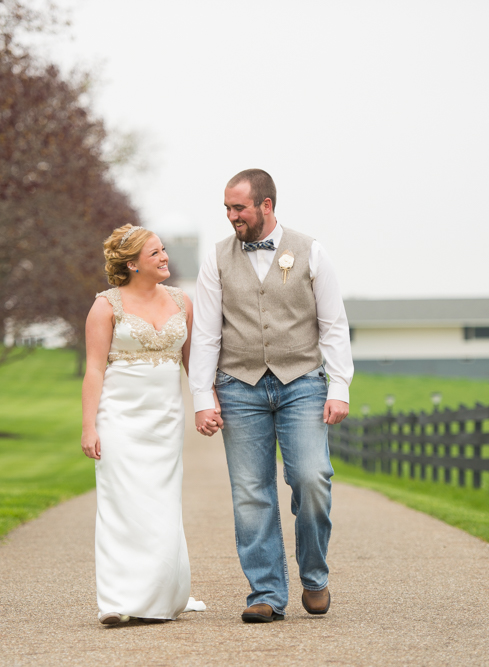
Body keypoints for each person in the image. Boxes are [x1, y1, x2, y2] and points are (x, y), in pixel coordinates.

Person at [189, 169, 353, 623]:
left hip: (302, 381)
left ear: (266, 205)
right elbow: (205, 332)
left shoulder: (310, 251)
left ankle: (315, 576)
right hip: (238, 385)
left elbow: (333, 325)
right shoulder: (217, 258)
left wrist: (338, 386)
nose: (231, 216)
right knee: (250, 493)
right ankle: (265, 593)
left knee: (312, 478)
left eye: (238, 207)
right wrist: (203, 395)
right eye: (226, 208)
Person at [81, 224, 207, 625]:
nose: (165, 257)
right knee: (121, 507)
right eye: (155, 253)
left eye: (164, 250)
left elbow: (194, 364)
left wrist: (206, 405)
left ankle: (160, 594)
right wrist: (89, 426)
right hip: (119, 419)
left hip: (165, 420)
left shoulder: (182, 302)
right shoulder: (106, 307)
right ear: (133, 264)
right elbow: (94, 371)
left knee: (161, 507)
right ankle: (118, 602)